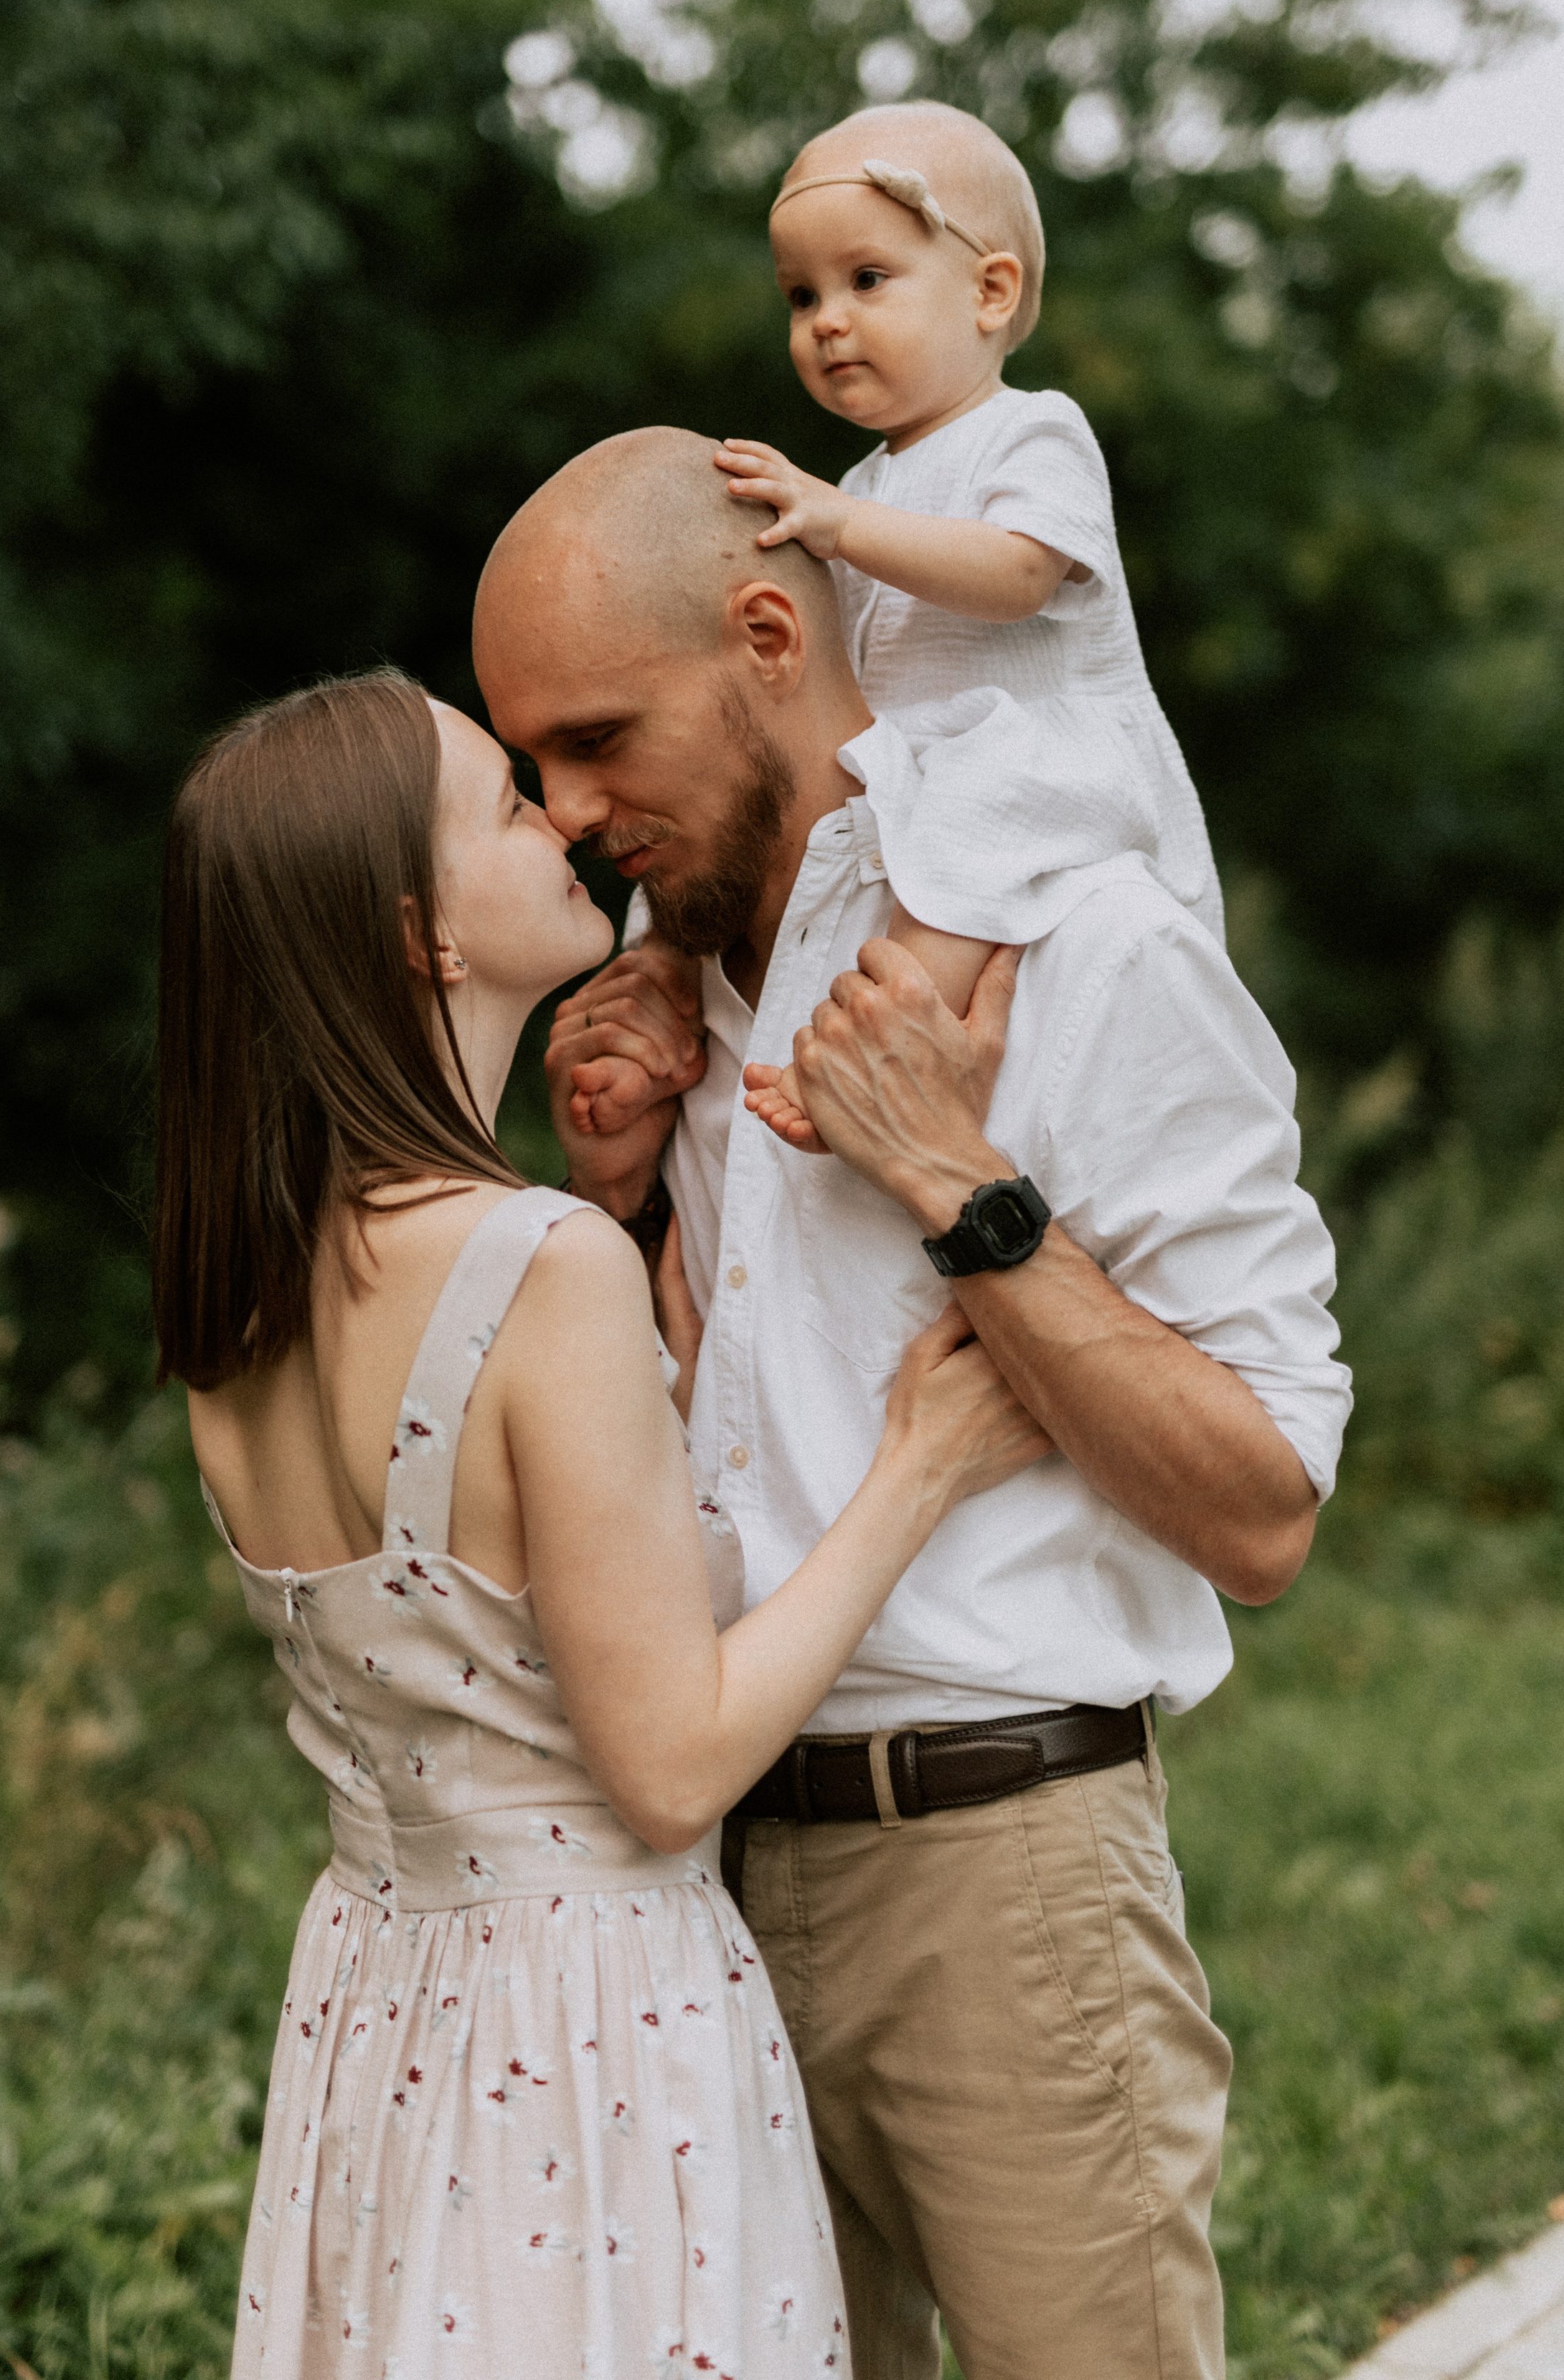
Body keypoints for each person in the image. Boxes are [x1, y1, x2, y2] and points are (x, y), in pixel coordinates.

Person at [474, 430, 1354, 2380]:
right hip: (691, 1899)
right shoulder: (664, 1003)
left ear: (769, 633)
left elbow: (1271, 1507)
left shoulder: (1083, 941)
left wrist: (960, 1189)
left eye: (597, 739)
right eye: (527, 762)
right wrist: (617, 1218)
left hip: (1003, 1883)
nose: (562, 811)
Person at [149, 666, 1050, 2379]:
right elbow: (666, 1765)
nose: (558, 814)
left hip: (382, 2009)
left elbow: (483, 1596)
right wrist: (919, 1467)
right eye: (501, 799)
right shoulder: (530, 1272)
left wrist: (620, 1204)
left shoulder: (244, 1299)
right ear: (422, 935)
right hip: (586, 2033)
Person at [571, 98, 1221, 1153]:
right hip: (921, 767)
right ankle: (665, 978)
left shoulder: (1031, 430)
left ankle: (883, 1051)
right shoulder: (864, 485)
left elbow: (1019, 572)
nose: (826, 320)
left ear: (990, 292)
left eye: (865, 281)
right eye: (800, 296)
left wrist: (838, 524)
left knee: (962, 851)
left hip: (1036, 755)